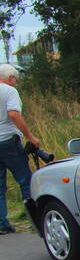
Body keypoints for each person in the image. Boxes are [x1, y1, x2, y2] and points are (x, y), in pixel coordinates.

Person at [0, 64, 40, 234]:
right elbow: (13, 114)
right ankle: (34, 219)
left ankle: (2, 223)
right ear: (11, 78)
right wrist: (30, 137)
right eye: (15, 79)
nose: (16, 82)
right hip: (8, 141)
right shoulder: (10, 91)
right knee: (25, 180)